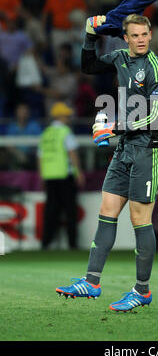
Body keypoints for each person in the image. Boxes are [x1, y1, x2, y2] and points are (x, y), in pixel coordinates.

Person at [56, 13, 158, 312]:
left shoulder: (157, 70)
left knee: (139, 220)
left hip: (150, 148)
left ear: (151, 33)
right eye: (135, 35)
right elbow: (88, 65)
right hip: (125, 147)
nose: (141, 39)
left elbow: (155, 116)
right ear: (126, 38)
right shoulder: (121, 58)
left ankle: (142, 291)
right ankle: (91, 282)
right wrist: (90, 35)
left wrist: (114, 127)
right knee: (106, 211)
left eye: (145, 34)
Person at [38, 102, 84, 250]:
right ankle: (72, 244)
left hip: (50, 176)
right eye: (66, 115)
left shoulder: (46, 134)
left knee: (51, 212)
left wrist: (42, 176)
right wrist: (79, 173)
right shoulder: (65, 131)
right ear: (60, 116)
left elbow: (40, 157)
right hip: (65, 176)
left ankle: (45, 243)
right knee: (70, 212)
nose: (69, 118)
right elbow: (72, 153)